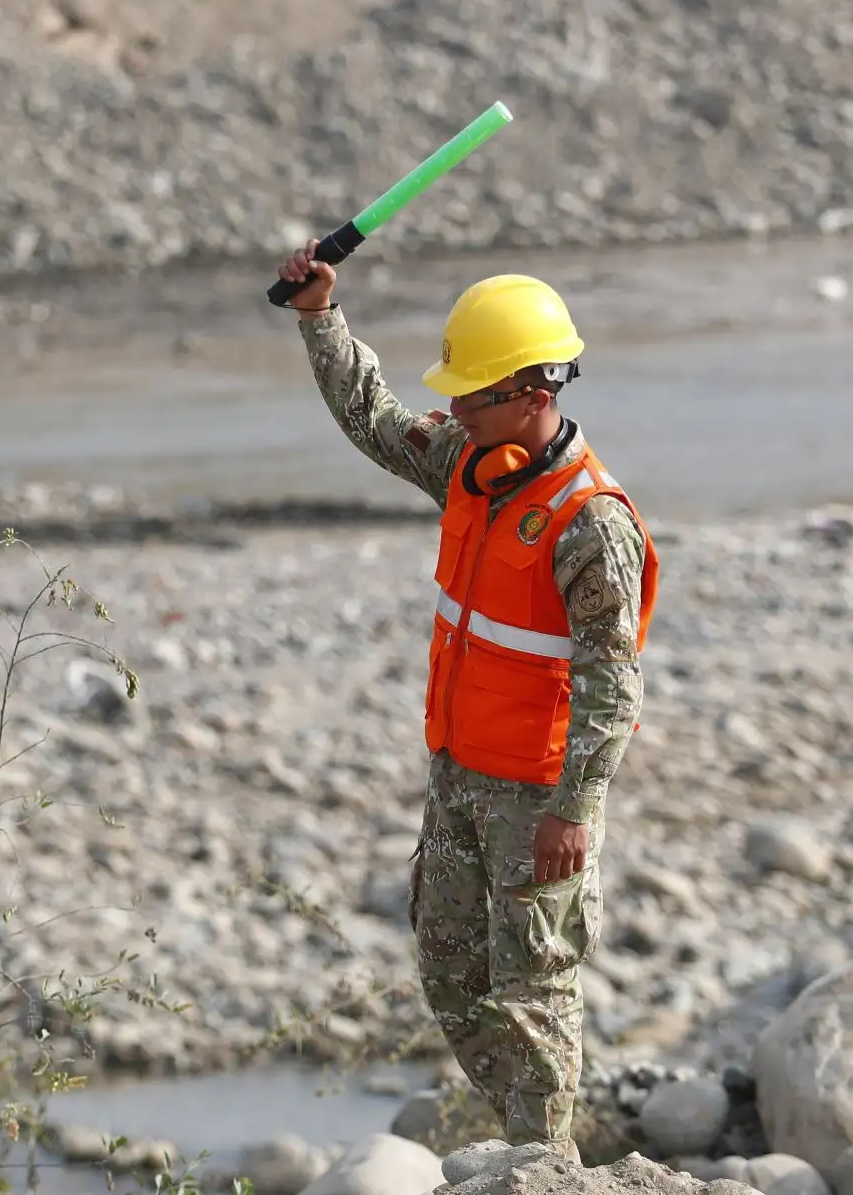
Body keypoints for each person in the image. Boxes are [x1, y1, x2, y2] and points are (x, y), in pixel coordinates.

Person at [274, 243, 660, 1160]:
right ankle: (533, 1135)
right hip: (457, 780)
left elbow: (615, 681)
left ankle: (544, 1163)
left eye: (473, 394)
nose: (452, 409)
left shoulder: (589, 522)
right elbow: (376, 420)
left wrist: (576, 807)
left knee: (535, 1001)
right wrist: (320, 320)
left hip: (537, 803)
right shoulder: (470, 463)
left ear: (534, 390)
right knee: (450, 981)